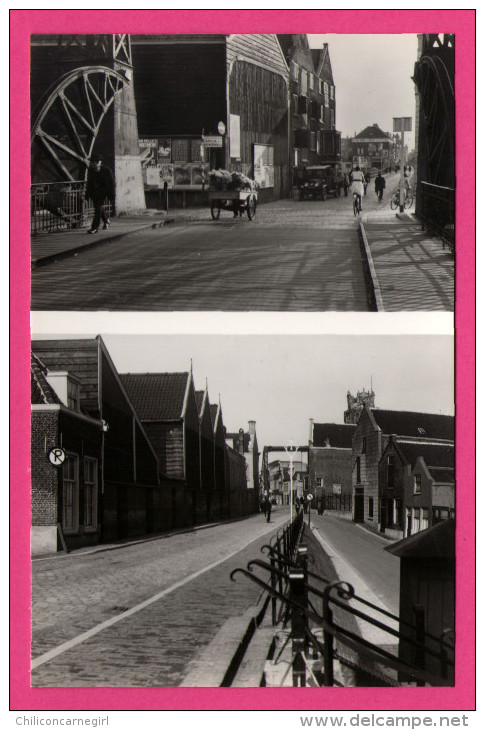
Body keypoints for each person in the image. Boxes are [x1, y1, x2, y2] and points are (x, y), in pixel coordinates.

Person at [85, 155, 115, 234]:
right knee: (99, 208)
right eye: (93, 162)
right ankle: (106, 220)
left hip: (103, 192)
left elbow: (112, 184)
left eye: (95, 162)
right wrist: (86, 196)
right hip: (94, 193)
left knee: (97, 209)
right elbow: (89, 183)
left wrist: (112, 196)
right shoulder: (91, 170)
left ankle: (94, 228)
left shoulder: (107, 170)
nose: (93, 164)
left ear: (99, 163)